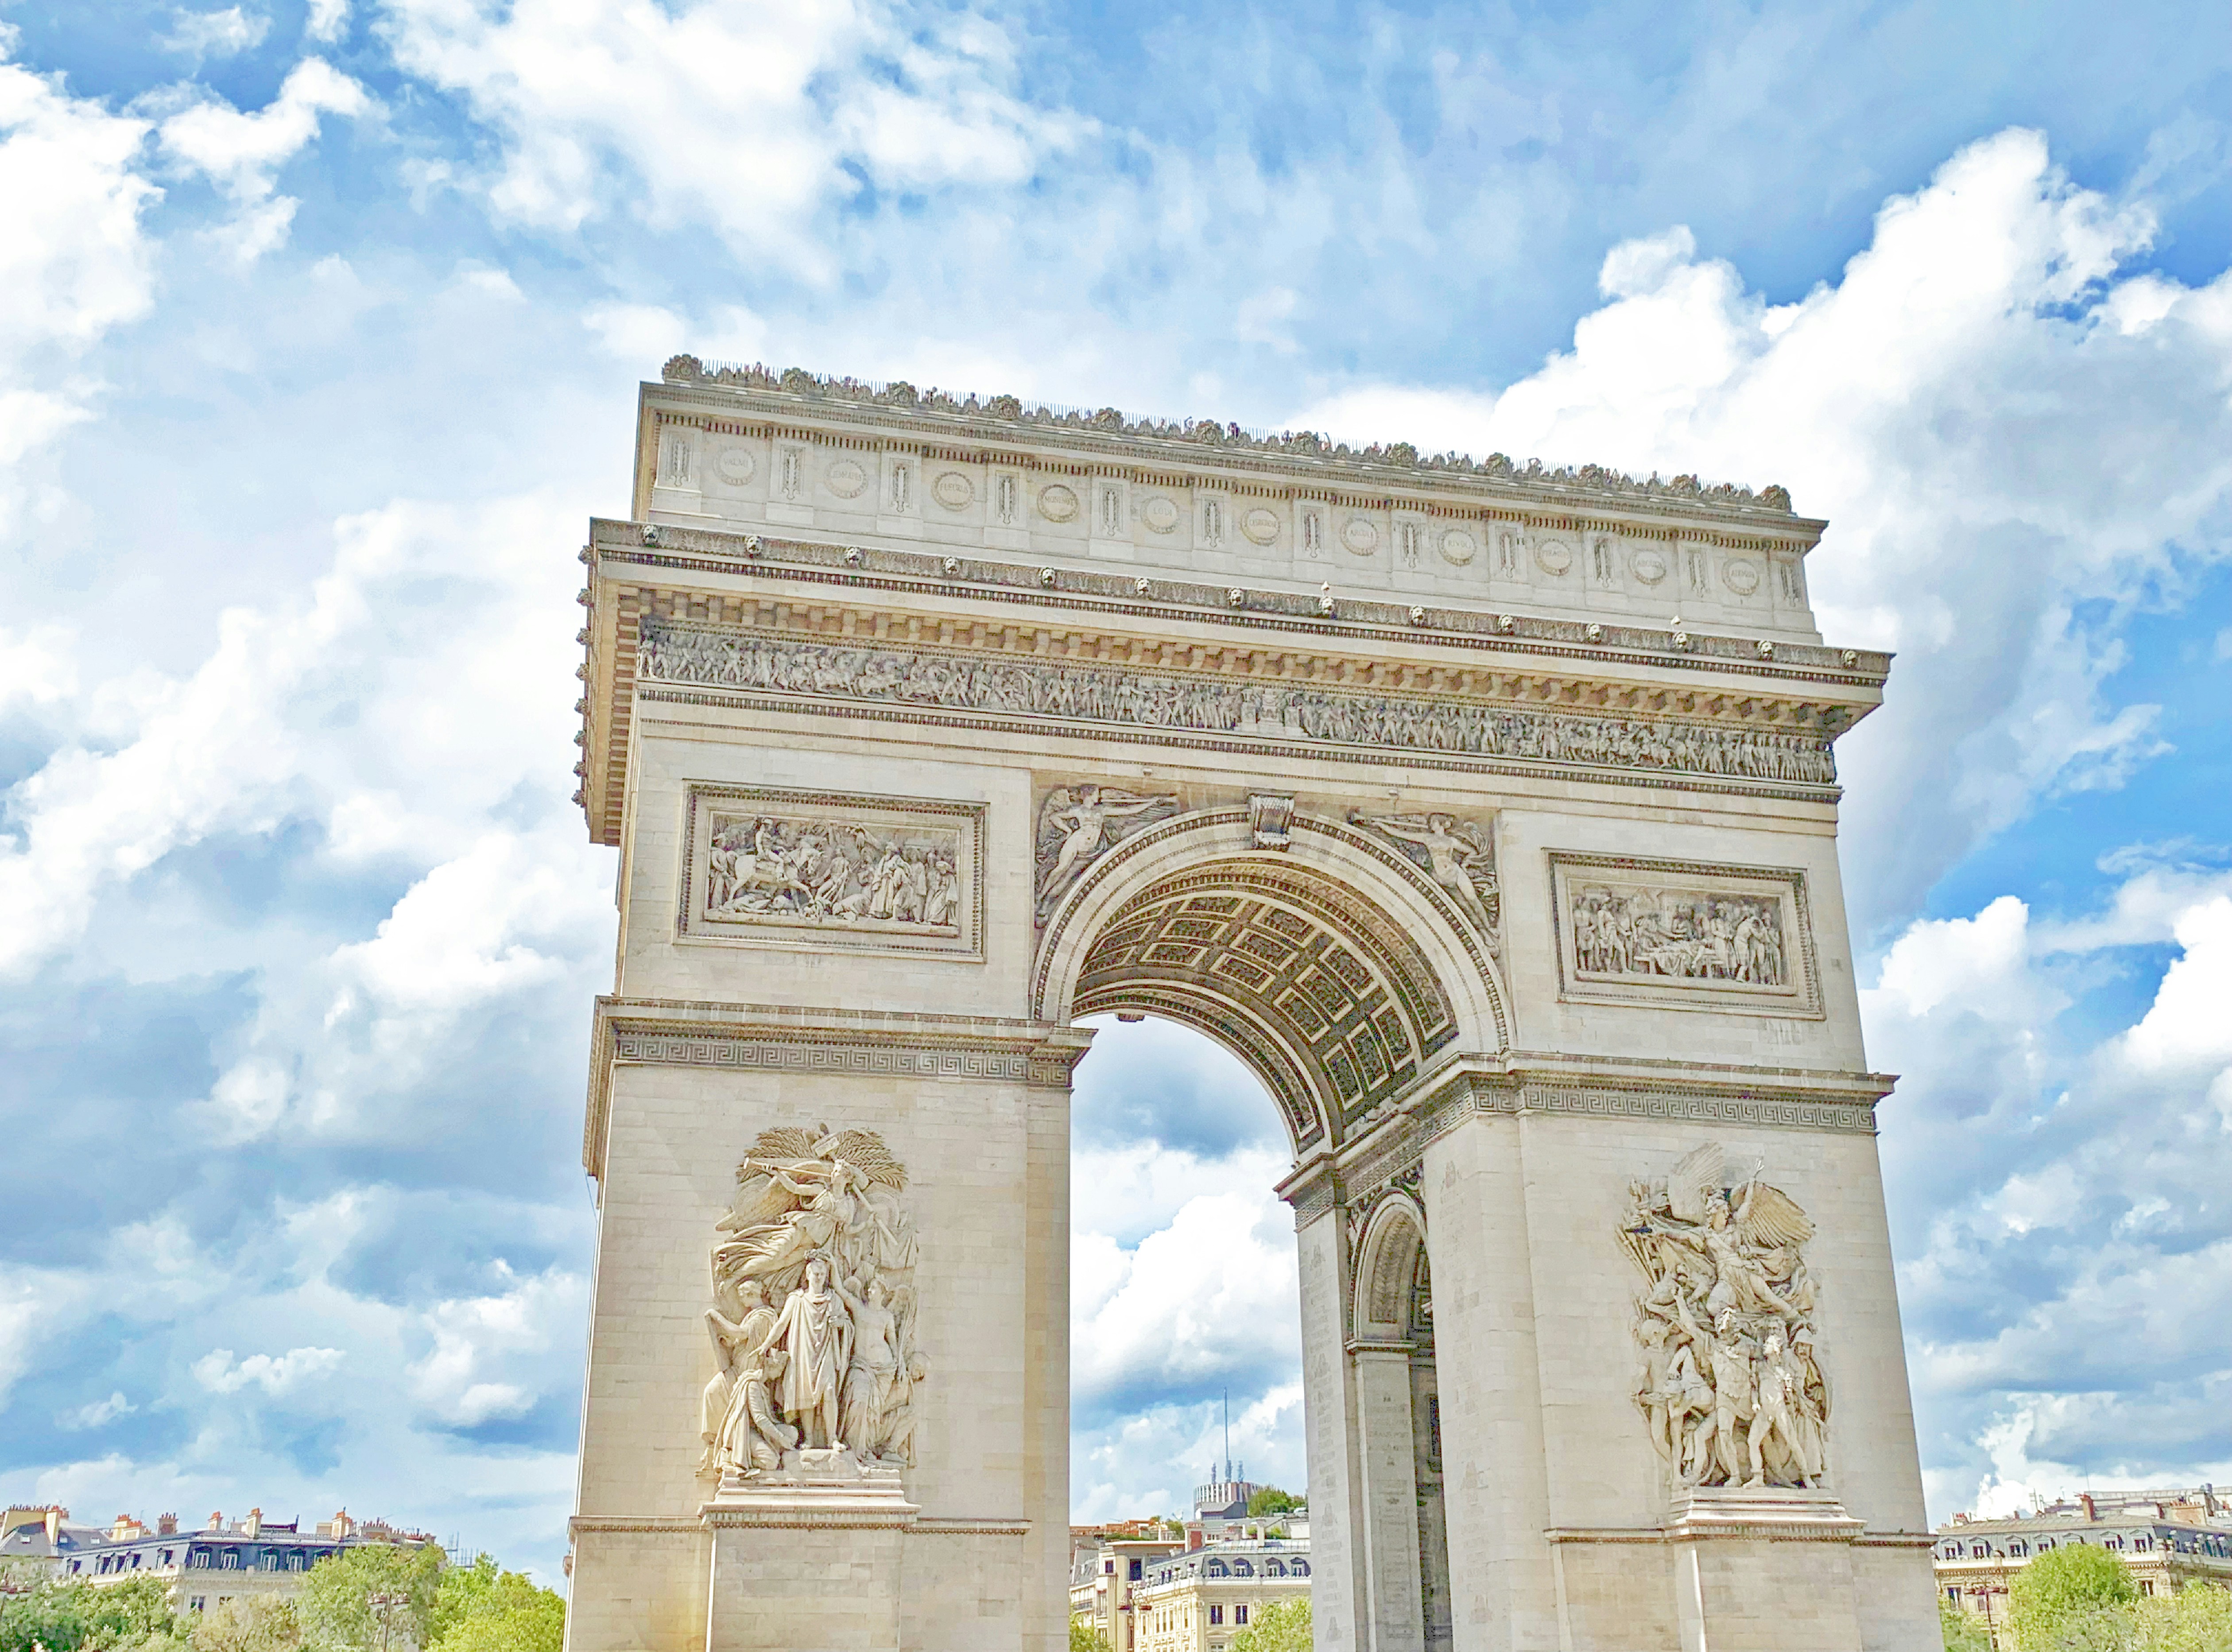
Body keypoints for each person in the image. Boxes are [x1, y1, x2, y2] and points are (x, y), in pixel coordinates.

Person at [757, 1255, 852, 1450]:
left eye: (822, 1274)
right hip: (803, 1351)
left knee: (830, 1391)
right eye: (815, 1273)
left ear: (827, 1276)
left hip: (826, 1350)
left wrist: (840, 1323)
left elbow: (848, 1323)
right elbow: (782, 1324)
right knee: (805, 1394)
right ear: (807, 1275)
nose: (818, 1277)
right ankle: (808, 1438)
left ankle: (833, 1438)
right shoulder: (797, 1299)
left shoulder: (833, 1298)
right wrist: (766, 1345)